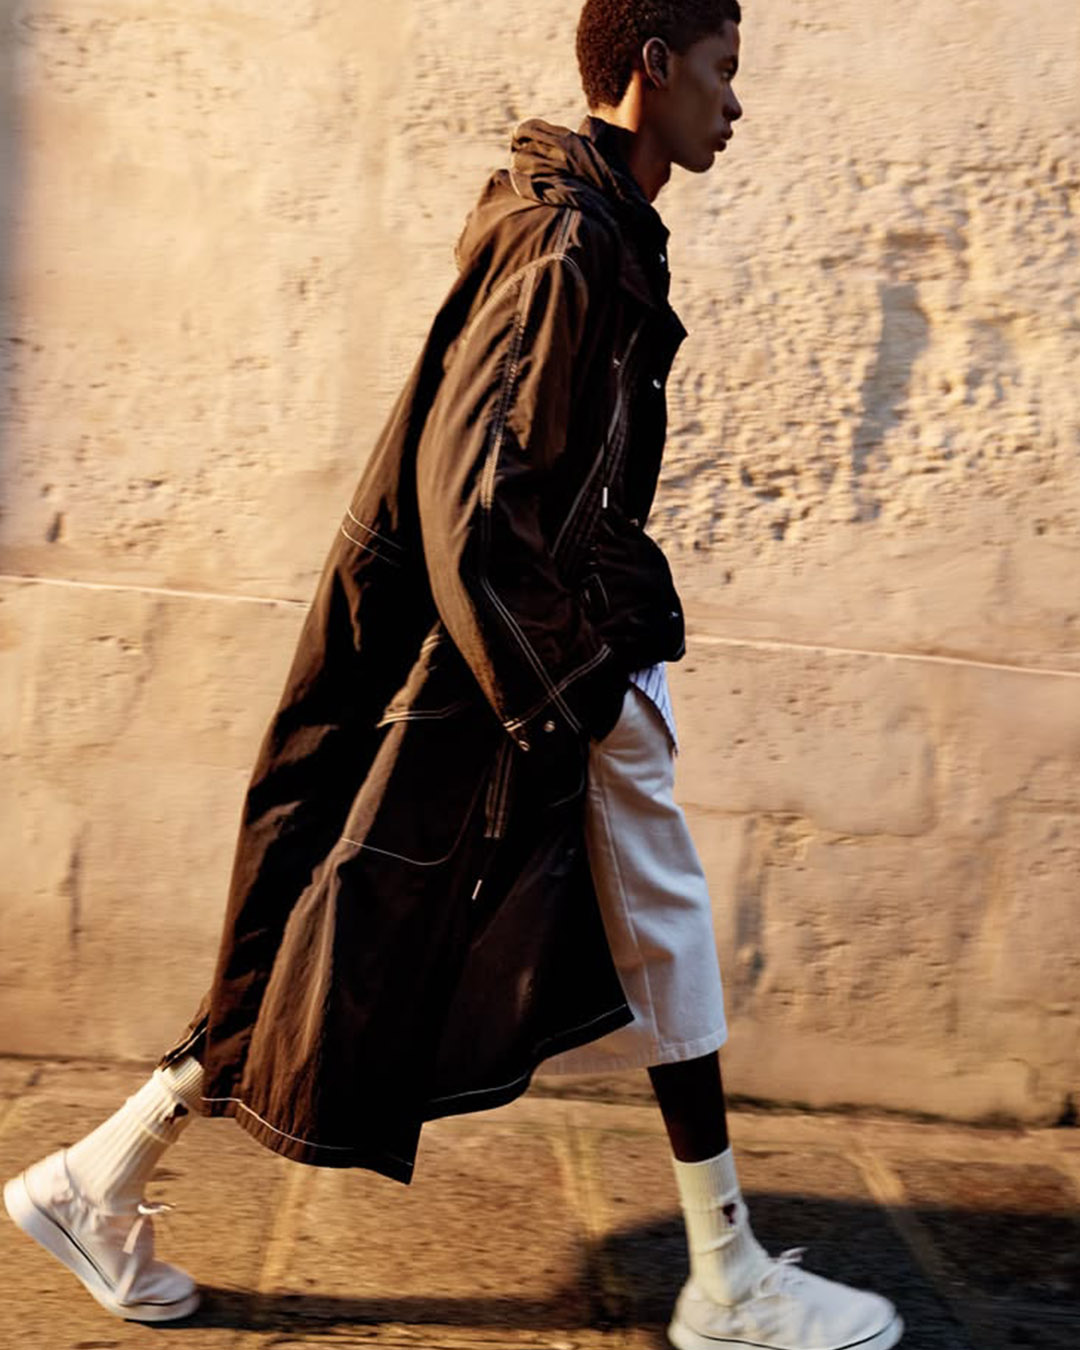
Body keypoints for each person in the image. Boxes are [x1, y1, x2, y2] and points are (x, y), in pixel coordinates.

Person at [5, 3, 903, 1348]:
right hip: (546, 660)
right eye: (722, 72)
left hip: (546, 649)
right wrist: (573, 693)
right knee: (635, 931)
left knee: (343, 924)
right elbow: (477, 500)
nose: (737, 104)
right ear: (649, 66)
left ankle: (98, 1175)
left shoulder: (587, 230)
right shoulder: (569, 241)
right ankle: (729, 1281)